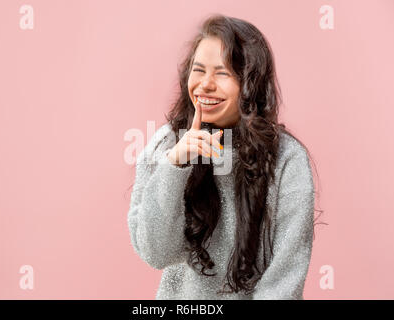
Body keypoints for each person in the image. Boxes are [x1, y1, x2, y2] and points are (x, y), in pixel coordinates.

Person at [127, 14, 317, 300]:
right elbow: (156, 253)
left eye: (223, 73)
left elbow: (285, 281)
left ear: (250, 83)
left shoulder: (287, 160)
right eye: (199, 70)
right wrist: (176, 164)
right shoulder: (166, 145)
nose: (205, 85)